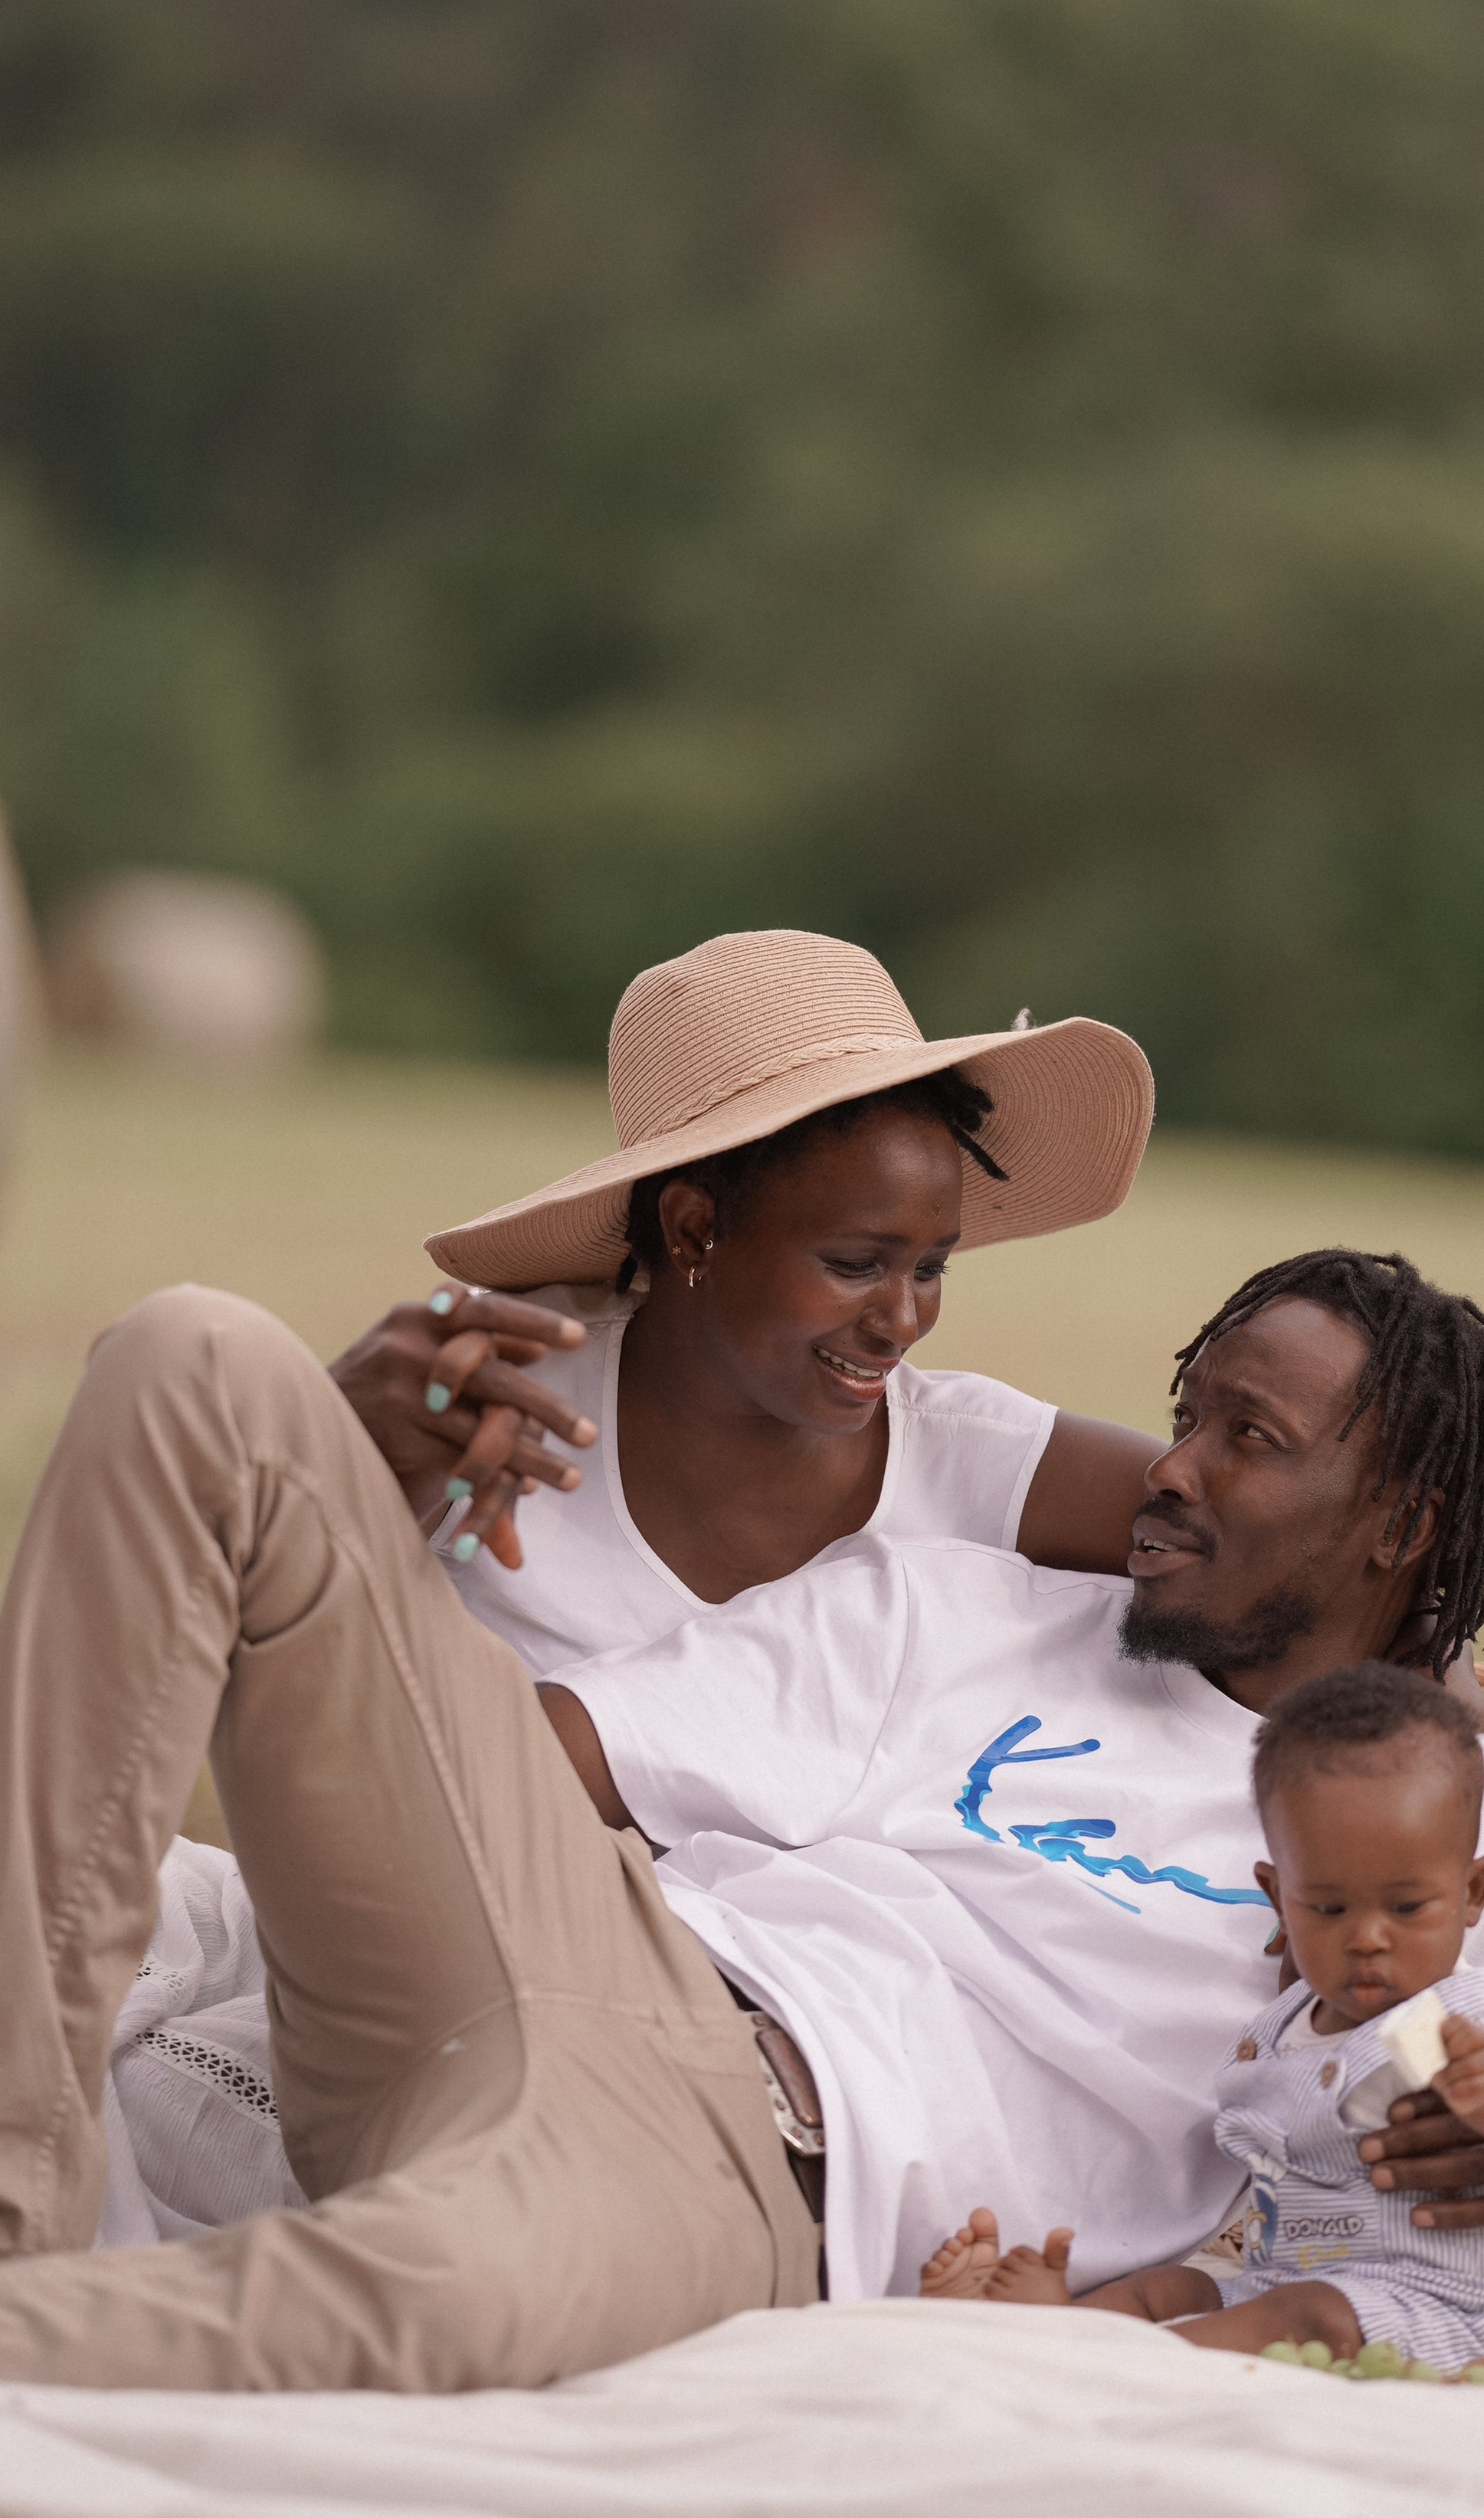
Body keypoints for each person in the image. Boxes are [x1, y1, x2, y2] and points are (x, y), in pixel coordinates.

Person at [0, 1244, 1484, 2389]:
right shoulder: (952, 1610)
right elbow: (508, 1776)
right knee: (201, 1359)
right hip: (576, 1935)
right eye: (1184, 1413)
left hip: (753, 2178)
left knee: (398, 2330)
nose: (1171, 1467)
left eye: (1243, 1438)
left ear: (1402, 1522)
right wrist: (352, 1517)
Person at [103, 927, 1163, 2241]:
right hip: (406, 1958)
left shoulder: (977, 1462)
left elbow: (1272, 1527)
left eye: (931, 1264)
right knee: (127, 2015)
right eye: (855, 1263)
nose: (903, 1318)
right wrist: (333, 1458)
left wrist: (1414, 1682)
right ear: (696, 1224)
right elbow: (210, 1688)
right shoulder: (490, 1404)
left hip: (696, 2051)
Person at [916, 1664, 1484, 2368]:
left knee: (1306, 2314)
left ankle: (1099, 2363)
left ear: (1474, 1891)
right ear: (1278, 1896)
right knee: (1170, 2285)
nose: (1368, 1937)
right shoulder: (1281, 2028)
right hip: (1279, 2284)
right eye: (1327, 1908)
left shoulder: (1471, 2013)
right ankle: (1065, 2328)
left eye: (1408, 1907)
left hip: (1436, 2312)